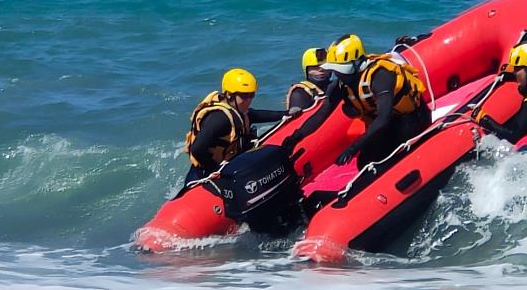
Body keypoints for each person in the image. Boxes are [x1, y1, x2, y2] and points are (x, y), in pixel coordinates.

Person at [282, 34, 431, 168]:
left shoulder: (380, 76)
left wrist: (353, 148)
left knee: (393, 159)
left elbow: (383, 117)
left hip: (410, 121)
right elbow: (320, 115)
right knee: (364, 163)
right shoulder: (340, 85)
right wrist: (295, 137)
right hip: (382, 127)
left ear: (357, 62)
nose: (337, 73)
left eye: (341, 68)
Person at [183, 68, 300, 185]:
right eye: (244, 96)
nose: (249, 100)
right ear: (229, 95)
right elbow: (197, 149)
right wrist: (215, 170)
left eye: (251, 95)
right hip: (204, 173)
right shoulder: (219, 119)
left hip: (226, 163)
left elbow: (254, 115)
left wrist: (285, 114)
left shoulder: (236, 109)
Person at [473, 42, 527, 144]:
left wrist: (484, 119)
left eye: (517, 69)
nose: (514, 72)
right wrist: (509, 76)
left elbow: (512, 137)